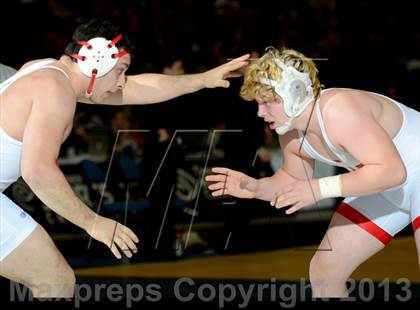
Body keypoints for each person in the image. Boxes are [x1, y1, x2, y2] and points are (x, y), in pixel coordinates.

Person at [0, 18, 249, 298]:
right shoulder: (55, 91)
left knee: (54, 281)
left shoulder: (46, 71)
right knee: (54, 280)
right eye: (120, 71)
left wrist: (203, 79)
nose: (121, 82)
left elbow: (139, 88)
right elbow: (37, 171)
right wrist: (93, 223)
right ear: (96, 59)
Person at [206, 47, 420, 297]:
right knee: (325, 272)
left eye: (265, 102)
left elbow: (393, 172)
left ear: (293, 92)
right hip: (385, 187)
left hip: (399, 176)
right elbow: (292, 180)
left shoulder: (338, 109)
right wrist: (255, 188)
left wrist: (319, 188)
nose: (260, 113)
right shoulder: (291, 134)